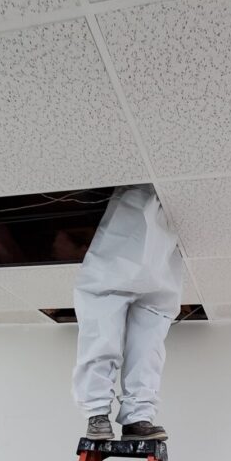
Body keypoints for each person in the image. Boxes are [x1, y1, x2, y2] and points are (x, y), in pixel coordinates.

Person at [72, 184, 183, 441]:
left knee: (121, 337)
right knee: (115, 336)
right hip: (149, 274)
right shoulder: (140, 200)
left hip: (138, 272)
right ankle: (111, 414)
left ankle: (131, 417)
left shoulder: (138, 201)